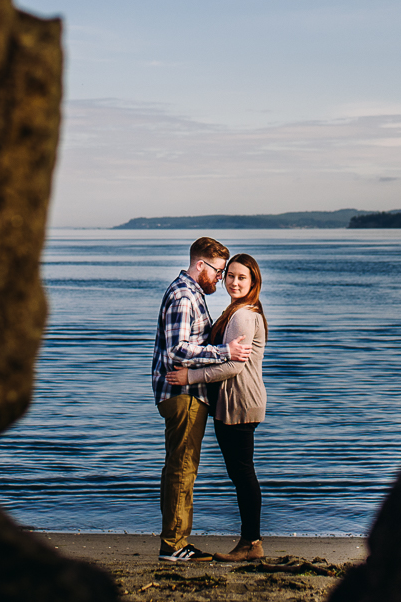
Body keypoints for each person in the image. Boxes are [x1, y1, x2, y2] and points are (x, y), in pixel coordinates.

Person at [152, 236, 251, 562]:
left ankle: (173, 541)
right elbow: (177, 349)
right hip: (183, 395)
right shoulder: (184, 297)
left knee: (177, 468)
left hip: (184, 393)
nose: (221, 279)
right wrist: (227, 351)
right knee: (183, 468)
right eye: (219, 271)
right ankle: (174, 546)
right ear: (200, 265)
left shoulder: (190, 293)